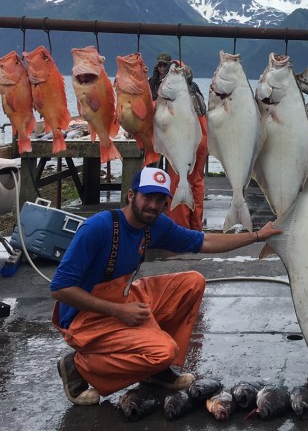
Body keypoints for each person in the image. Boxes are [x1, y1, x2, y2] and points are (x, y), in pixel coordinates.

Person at [51, 165, 281, 406]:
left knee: (192, 282)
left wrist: (255, 237)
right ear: (131, 195)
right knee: (163, 351)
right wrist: (118, 311)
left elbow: (205, 241)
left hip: (122, 298)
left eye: (160, 199)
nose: (152, 205)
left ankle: (156, 371)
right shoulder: (98, 228)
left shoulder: (156, 225)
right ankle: (77, 367)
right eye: (147, 196)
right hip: (83, 319)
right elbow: (60, 288)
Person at [151, 55, 209, 231]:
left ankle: (179, 228)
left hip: (183, 138)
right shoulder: (194, 89)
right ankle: (196, 226)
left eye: (165, 67)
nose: (162, 70)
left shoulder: (172, 93)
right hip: (200, 135)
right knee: (197, 181)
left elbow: (162, 117)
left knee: (177, 181)